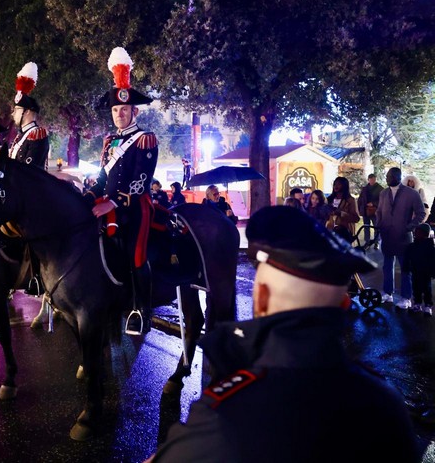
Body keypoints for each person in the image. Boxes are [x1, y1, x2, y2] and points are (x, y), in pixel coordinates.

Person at [149, 206, 423, 463]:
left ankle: (139, 296)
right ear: (342, 304)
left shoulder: (225, 414)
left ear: (263, 296)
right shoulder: (386, 403)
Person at [84, 47, 158, 335]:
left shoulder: (145, 139)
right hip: (109, 205)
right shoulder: (109, 141)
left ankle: (141, 310)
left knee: (135, 254)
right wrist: (90, 196)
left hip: (135, 207)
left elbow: (141, 181)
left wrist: (111, 203)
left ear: (134, 111)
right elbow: (103, 176)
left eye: (124, 110)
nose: (119, 114)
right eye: (115, 110)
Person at [376, 167, 427, 309]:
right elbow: (379, 211)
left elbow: (421, 213)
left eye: (389, 176)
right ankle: (387, 293)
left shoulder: (411, 194)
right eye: (386, 176)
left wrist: (409, 227)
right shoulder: (383, 193)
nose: (386, 178)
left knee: (405, 268)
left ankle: (406, 297)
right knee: (387, 266)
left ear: (398, 177)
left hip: (403, 237)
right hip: (387, 236)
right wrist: (379, 224)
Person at [9, 62, 49, 169]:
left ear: (26, 112)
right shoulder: (21, 136)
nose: (13, 114)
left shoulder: (37, 134)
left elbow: (30, 171)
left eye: (16, 110)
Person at [402, 223, 435, 316]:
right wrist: (406, 267)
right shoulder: (412, 246)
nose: (416, 233)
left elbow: (433, 260)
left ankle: (428, 306)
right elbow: (407, 258)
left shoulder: (430, 247)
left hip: (426, 272)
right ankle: (417, 303)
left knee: (427, 289)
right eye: (416, 232)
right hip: (415, 271)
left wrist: (433, 272)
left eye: (419, 232)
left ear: (425, 234)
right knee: (416, 288)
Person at [357, 173, 383, 244]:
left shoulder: (380, 189)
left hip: (375, 211)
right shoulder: (365, 189)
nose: (372, 181)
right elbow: (360, 199)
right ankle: (367, 241)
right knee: (366, 227)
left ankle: (376, 242)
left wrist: (374, 203)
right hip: (365, 211)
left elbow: (382, 200)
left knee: (376, 227)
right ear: (368, 180)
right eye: (371, 180)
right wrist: (359, 209)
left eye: (374, 179)